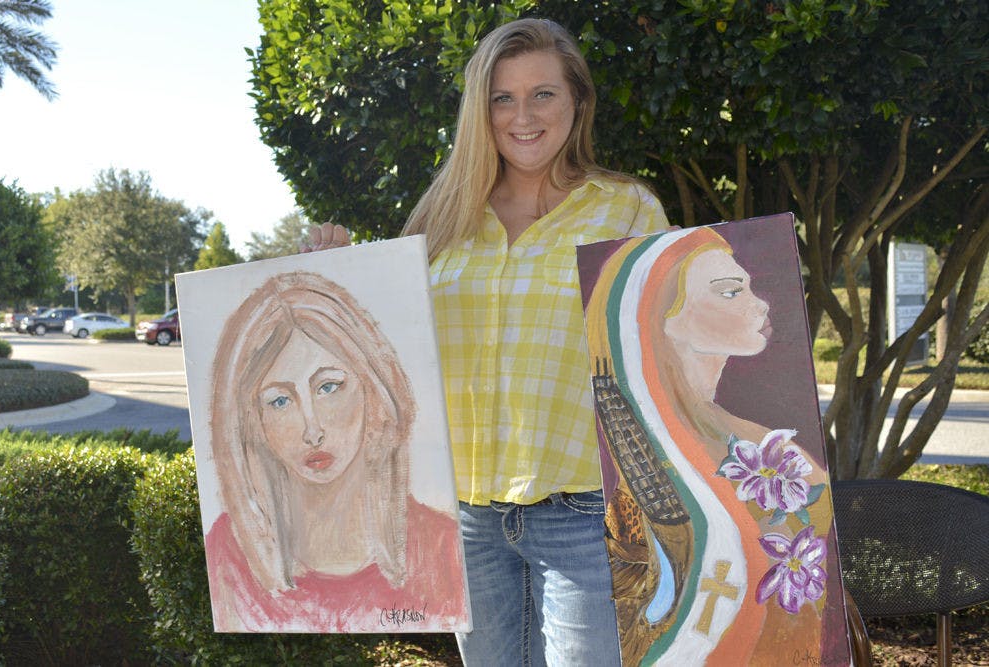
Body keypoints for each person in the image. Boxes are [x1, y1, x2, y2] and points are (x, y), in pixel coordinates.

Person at [306, 17, 669, 666]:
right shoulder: (443, 217)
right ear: (481, 109)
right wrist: (333, 271)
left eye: (543, 94)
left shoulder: (628, 210)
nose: (522, 115)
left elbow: (661, 355)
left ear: (577, 101)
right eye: (503, 97)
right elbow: (386, 349)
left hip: (584, 514)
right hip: (466, 519)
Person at [584, 227, 848, 666]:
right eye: (730, 292)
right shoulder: (644, 473)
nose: (760, 304)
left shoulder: (756, 443)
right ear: (661, 317)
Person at [202, 271, 467, 633]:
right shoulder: (229, 555)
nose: (312, 430)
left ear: (372, 388)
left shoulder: (440, 548)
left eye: (329, 387)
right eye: (280, 401)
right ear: (253, 423)